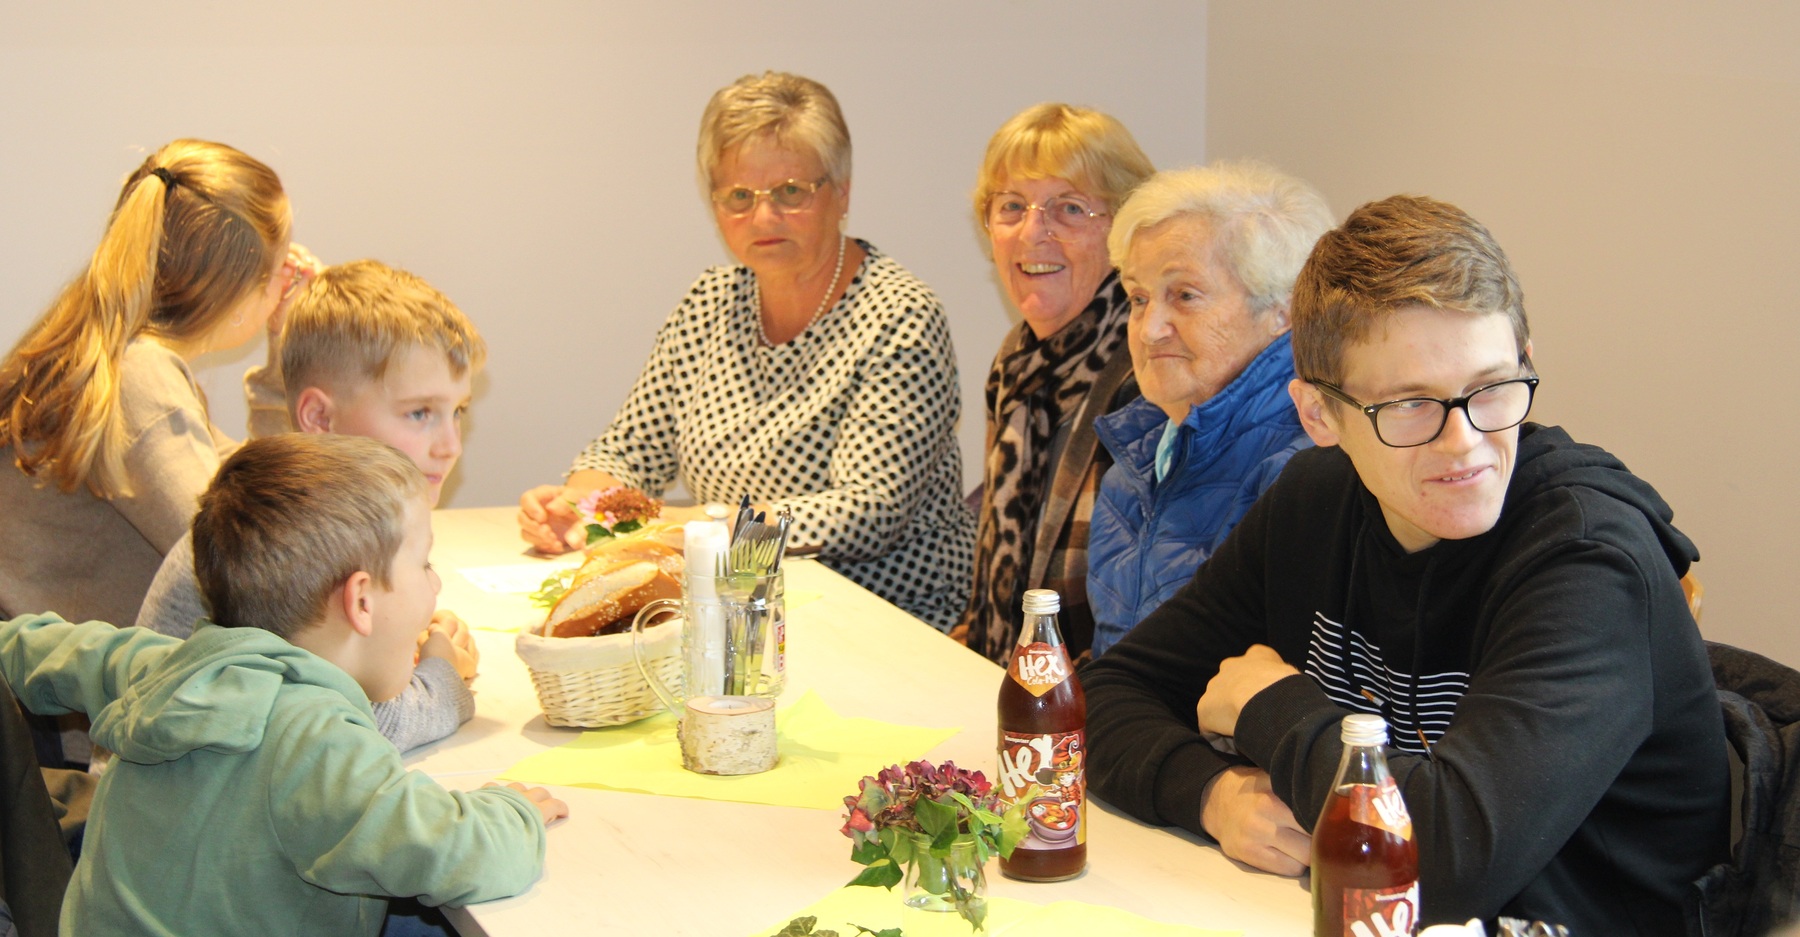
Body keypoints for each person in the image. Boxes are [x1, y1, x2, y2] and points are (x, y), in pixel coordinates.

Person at [1082, 195, 1728, 933]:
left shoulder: (1589, 558)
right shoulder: (1314, 503)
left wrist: (1270, 704)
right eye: (1410, 404)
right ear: (1319, 415)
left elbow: (1447, 863)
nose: (1465, 442)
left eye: (1491, 387)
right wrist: (1211, 794)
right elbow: (1106, 693)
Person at [0, 434, 569, 935]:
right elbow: (457, 854)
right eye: (424, 565)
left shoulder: (159, 666)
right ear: (361, 601)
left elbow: (33, 648)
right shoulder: (319, 742)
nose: (436, 584)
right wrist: (511, 811)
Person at [516, 71, 972, 629]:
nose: (763, 217)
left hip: (886, 618)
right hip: (740, 609)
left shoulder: (899, 316)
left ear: (842, 193)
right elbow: (630, 451)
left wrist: (707, 529)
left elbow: (868, 511)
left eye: (791, 192)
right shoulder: (708, 302)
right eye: (739, 196)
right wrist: (578, 506)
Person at [135, 260, 484, 752]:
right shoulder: (282, 534)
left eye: (458, 411)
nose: (450, 445)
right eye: (420, 413)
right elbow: (339, 731)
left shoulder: (344, 521)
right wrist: (441, 677)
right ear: (319, 417)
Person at [0, 138, 316, 629]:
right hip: (63, 678)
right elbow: (245, 566)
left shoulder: (111, 357)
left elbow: (256, 489)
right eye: (282, 271)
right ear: (238, 293)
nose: (287, 285)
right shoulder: (142, 383)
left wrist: (284, 351)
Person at [1086, 163, 1331, 658]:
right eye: (1138, 298)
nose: (1150, 329)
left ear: (1283, 313)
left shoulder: (1305, 470)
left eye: (1185, 295)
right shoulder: (1131, 465)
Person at [956, 103, 1155, 663]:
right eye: (1011, 207)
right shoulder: (1016, 361)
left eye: (1069, 208)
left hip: (1096, 684)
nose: (1032, 233)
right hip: (1010, 668)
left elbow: (1141, 609)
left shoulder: (1148, 369)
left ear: (1123, 229)